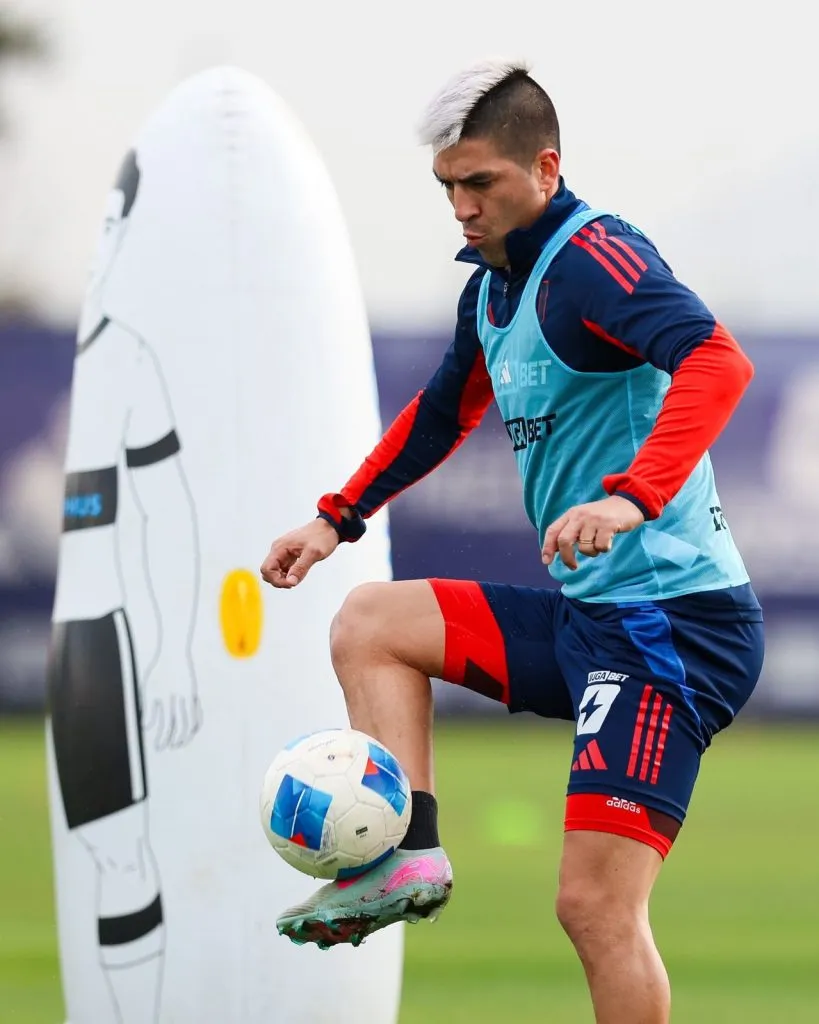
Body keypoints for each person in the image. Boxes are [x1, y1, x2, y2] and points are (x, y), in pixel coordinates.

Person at [260, 59, 764, 1023]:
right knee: (371, 620)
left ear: (544, 165)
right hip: (593, 619)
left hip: (674, 628)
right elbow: (441, 413)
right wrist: (334, 519)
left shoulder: (593, 258)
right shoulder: (492, 285)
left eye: (479, 182)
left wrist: (630, 499)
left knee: (593, 909)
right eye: (448, 186)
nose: (460, 204)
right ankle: (407, 853)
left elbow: (716, 359)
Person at [49, 149, 201, 1024]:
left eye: (119, 229)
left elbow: (169, 513)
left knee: (121, 849)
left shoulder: (131, 360)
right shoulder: (84, 358)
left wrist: (174, 653)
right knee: (101, 846)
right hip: (72, 641)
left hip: (109, 635)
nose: (102, 249)